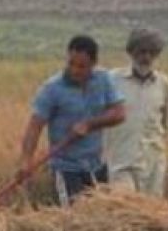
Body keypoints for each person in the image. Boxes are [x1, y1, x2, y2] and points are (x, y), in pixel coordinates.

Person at [18, 35, 126, 207]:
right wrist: (26, 161)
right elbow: (34, 126)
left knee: (102, 214)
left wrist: (90, 124)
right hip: (66, 167)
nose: (75, 70)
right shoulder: (52, 89)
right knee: (73, 217)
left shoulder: (104, 79)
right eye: (71, 64)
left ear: (93, 64)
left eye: (82, 66)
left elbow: (119, 114)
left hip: (95, 164)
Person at [104, 28, 168, 197]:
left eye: (152, 52)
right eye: (142, 52)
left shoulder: (163, 84)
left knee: (151, 212)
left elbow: (166, 123)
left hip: (153, 163)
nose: (146, 57)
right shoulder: (112, 80)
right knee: (123, 207)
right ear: (132, 52)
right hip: (121, 161)